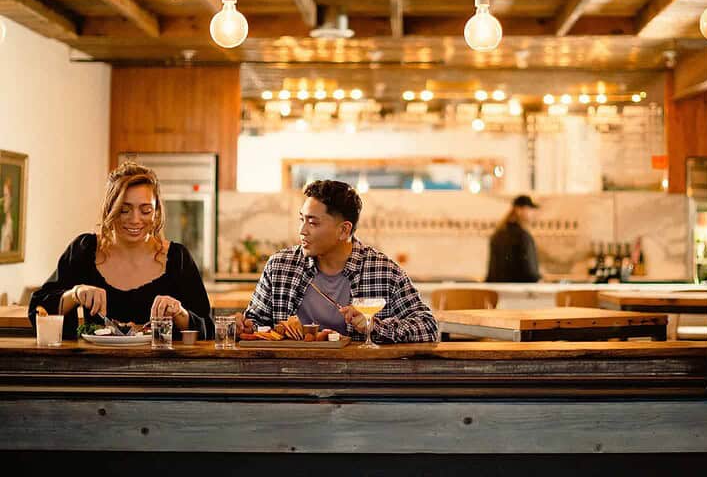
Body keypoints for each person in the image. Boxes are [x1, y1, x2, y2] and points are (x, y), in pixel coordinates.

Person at [28, 161, 214, 340]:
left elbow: (208, 328)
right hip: (94, 368)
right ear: (110, 209)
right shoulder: (84, 250)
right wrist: (75, 294)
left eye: (146, 210)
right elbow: (38, 309)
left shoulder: (177, 258)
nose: (135, 219)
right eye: (124, 210)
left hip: (163, 370)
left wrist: (178, 312)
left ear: (156, 212)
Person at [236, 179, 438, 343]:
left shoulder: (384, 271)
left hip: (361, 383)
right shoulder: (280, 266)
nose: (302, 230)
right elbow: (257, 323)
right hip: (290, 379)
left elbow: (428, 327)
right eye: (302, 219)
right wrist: (246, 326)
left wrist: (374, 326)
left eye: (313, 222)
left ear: (344, 230)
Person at [486, 194, 542, 283]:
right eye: (530, 209)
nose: (533, 213)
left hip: (497, 291)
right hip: (518, 293)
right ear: (519, 210)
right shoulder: (523, 236)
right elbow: (530, 273)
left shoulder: (498, 234)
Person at [0, 177, 14, 252]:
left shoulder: (9, 225)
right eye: (3, 195)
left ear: (11, 199)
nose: (2, 200)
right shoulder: (4, 224)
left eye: (6, 195)